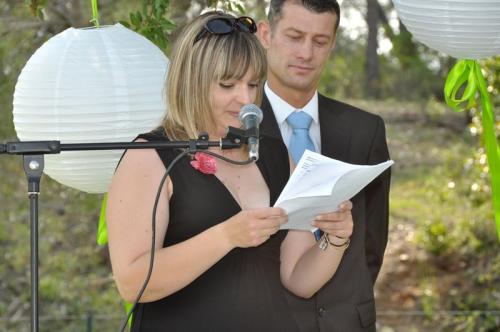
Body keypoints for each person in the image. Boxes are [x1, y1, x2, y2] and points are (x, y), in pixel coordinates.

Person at [106, 11, 354, 332]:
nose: (246, 99)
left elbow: (298, 280)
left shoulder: (276, 155)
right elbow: (132, 282)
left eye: (253, 84)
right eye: (228, 85)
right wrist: (227, 236)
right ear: (191, 82)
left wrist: (336, 240)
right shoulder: (149, 155)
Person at [257, 1, 391, 331]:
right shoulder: (233, 129)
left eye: (319, 41)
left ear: (332, 43)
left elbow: (372, 241)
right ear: (266, 34)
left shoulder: (366, 130)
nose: (306, 53)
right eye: (294, 36)